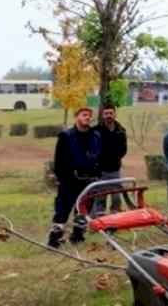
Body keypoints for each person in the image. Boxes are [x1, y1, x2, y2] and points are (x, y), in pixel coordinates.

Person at [48, 107, 101, 248]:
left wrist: (97, 176)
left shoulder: (95, 136)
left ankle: (77, 237)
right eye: (84, 115)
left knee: (83, 212)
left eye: (89, 115)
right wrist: (63, 179)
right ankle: (54, 240)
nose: (87, 118)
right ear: (76, 117)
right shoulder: (66, 136)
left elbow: (98, 157)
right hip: (69, 181)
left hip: (89, 181)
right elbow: (58, 161)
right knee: (62, 212)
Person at [95, 102, 129, 215]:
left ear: (115, 114)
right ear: (102, 115)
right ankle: (99, 217)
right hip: (100, 170)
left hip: (115, 169)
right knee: (100, 196)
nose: (108, 116)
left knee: (116, 197)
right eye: (106, 113)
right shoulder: (96, 131)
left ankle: (115, 215)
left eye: (111, 113)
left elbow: (124, 149)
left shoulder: (121, 130)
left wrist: (115, 157)